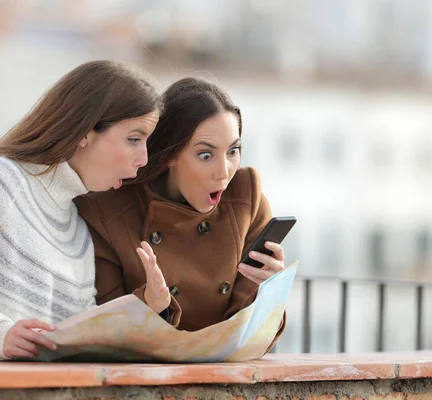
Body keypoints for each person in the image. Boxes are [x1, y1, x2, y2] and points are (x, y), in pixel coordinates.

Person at [0, 60, 161, 361]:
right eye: (134, 139)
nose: (143, 159)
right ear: (85, 131)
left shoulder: (78, 227)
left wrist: (146, 307)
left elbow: (78, 335)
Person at [75, 77, 287, 350]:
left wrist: (270, 291)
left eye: (233, 151)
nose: (224, 172)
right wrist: (150, 305)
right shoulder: (108, 211)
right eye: (205, 155)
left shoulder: (247, 198)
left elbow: (251, 340)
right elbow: (105, 334)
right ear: (170, 154)